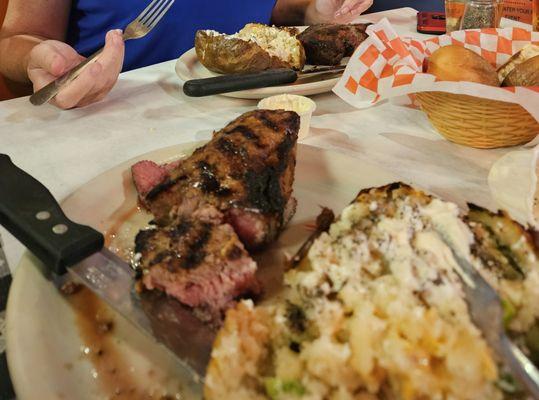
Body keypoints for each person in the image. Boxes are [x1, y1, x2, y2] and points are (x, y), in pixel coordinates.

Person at [0, 0, 373, 109]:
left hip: (263, 106)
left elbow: (266, 11)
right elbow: (17, 37)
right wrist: (42, 56)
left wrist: (311, 11)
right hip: (115, 114)